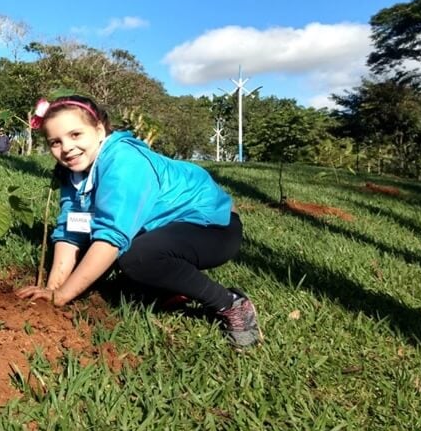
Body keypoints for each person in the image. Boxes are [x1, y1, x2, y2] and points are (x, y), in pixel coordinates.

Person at [16, 95, 261, 348]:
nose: (66, 147)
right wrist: (52, 289)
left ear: (99, 129)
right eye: (55, 142)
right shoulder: (72, 172)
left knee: (136, 257)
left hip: (214, 228)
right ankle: (169, 289)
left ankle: (230, 303)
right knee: (113, 256)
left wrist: (63, 296)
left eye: (76, 135)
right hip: (165, 230)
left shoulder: (124, 161)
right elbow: (71, 230)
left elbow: (111, 238)